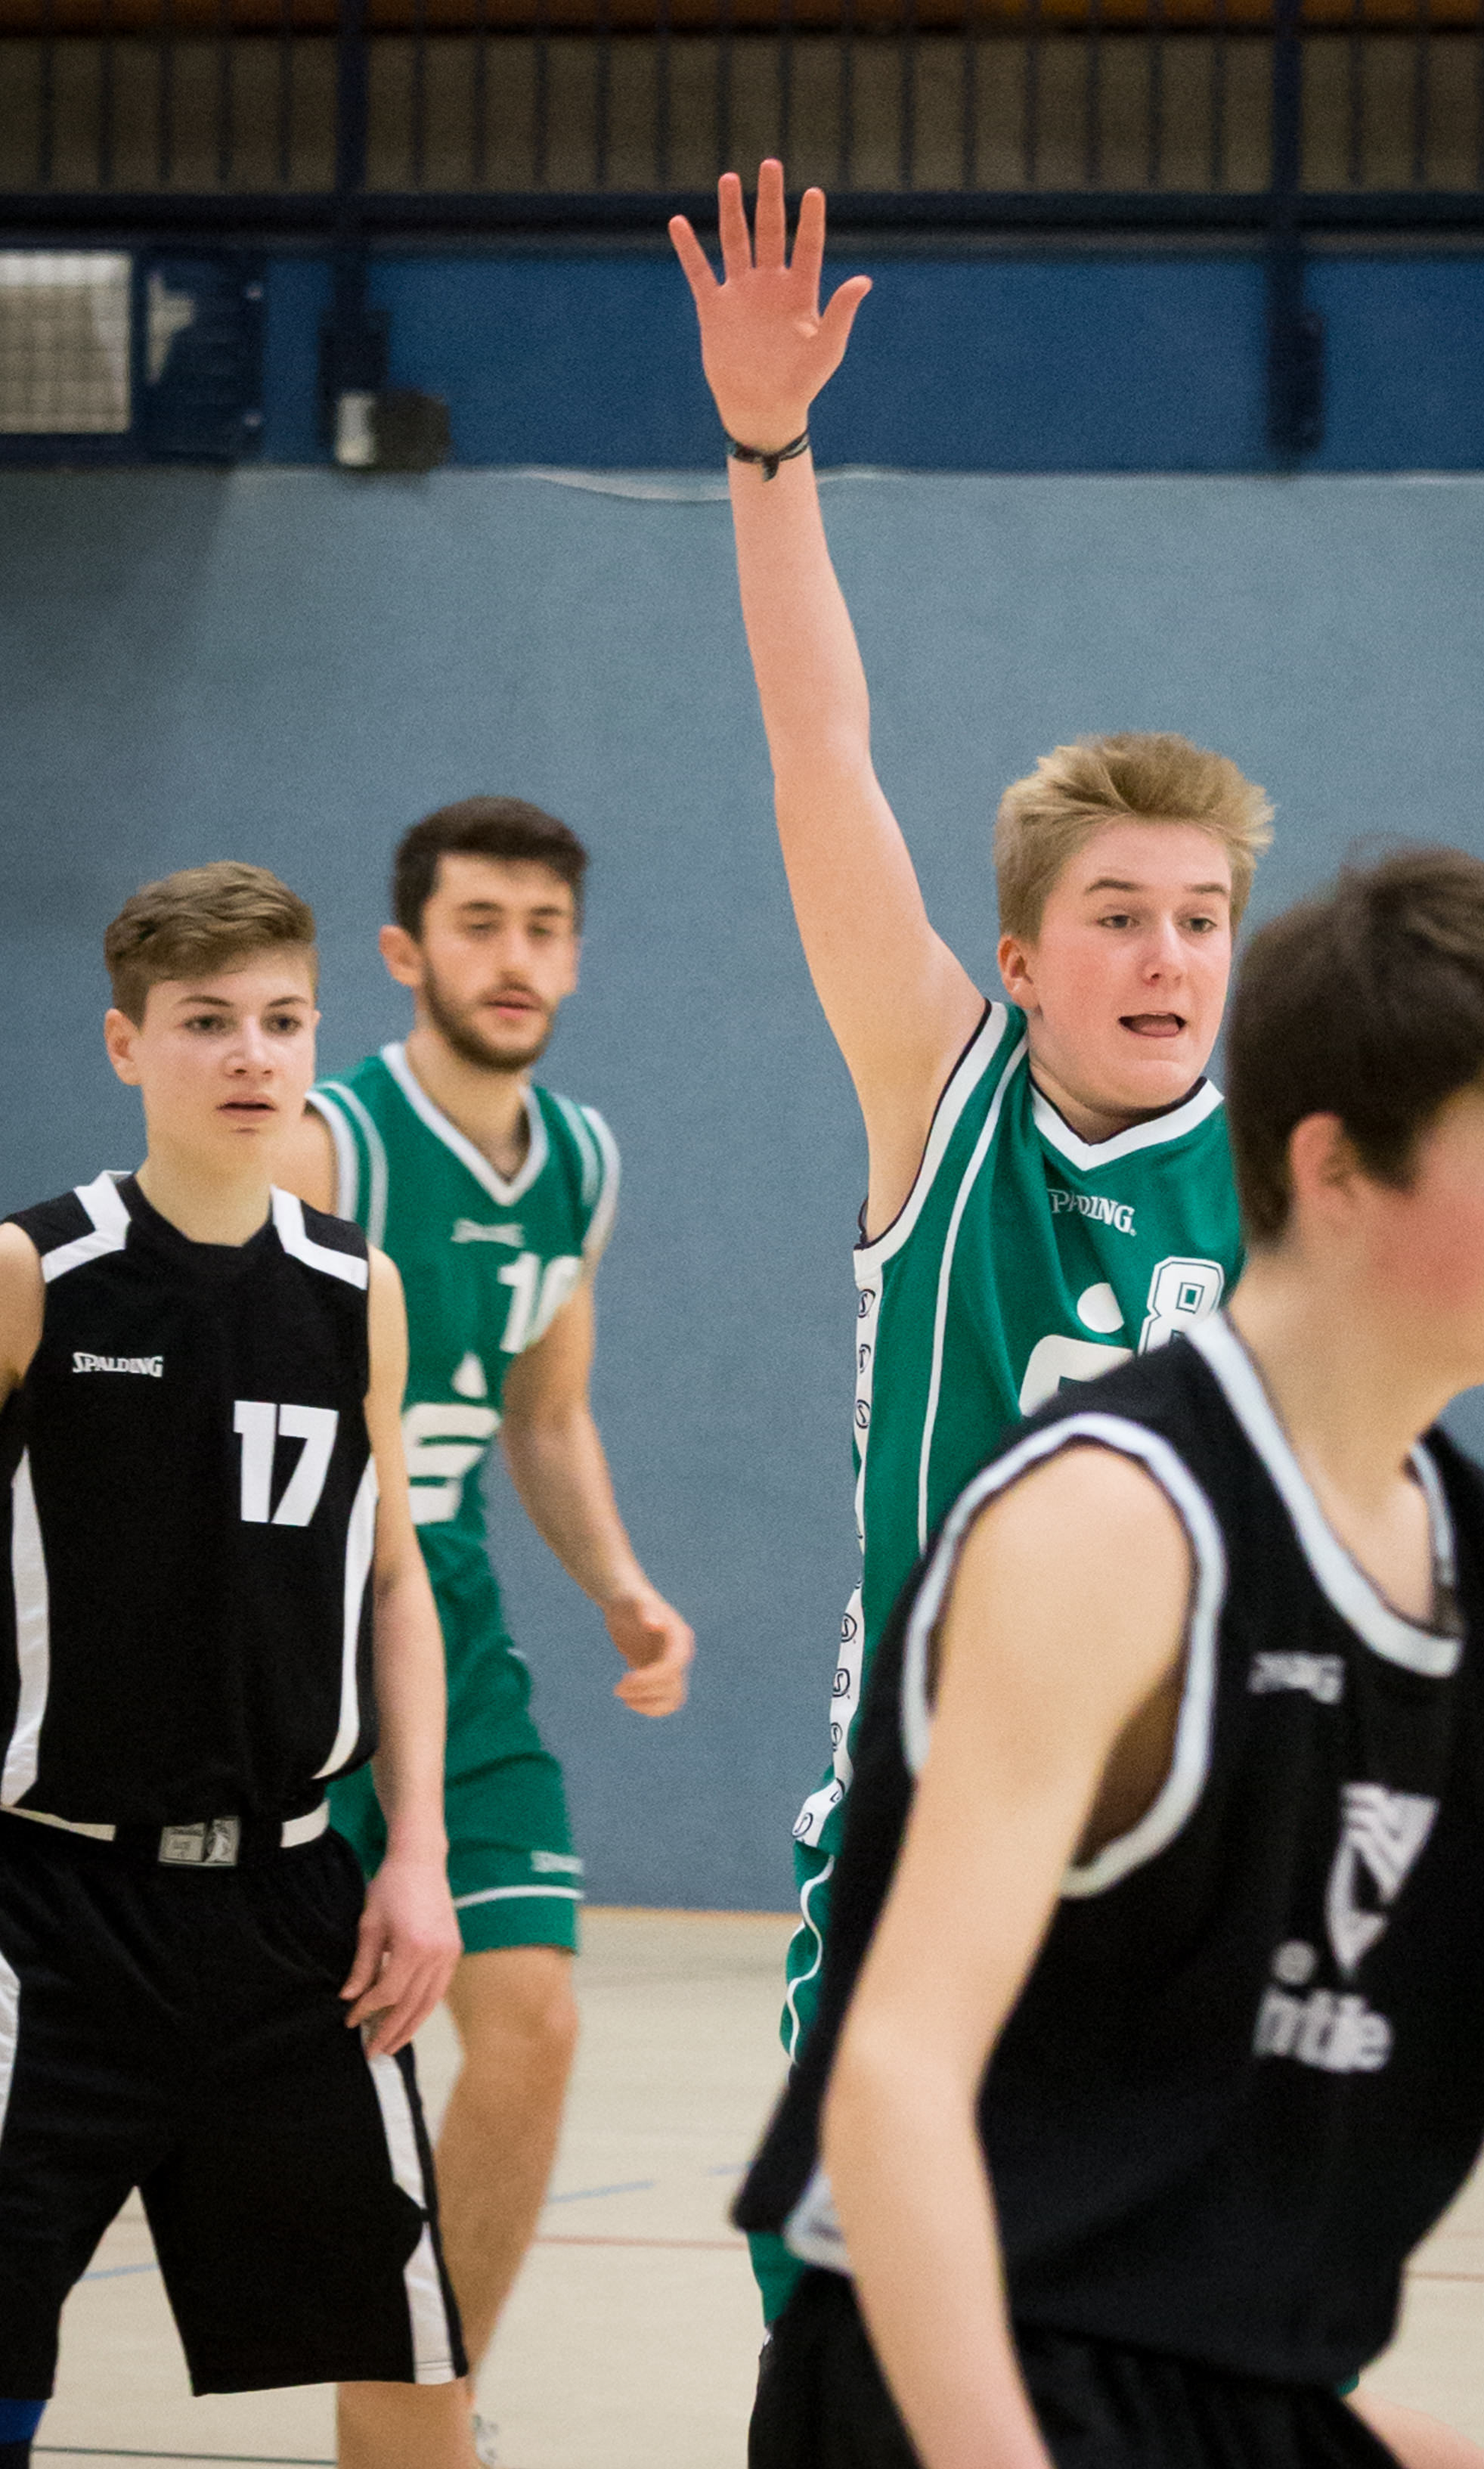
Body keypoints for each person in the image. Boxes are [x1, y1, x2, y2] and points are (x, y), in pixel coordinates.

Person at [671, 163, 1484, 2469]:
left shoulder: (1299, 1203)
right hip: (936, 1853)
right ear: (1024, 957)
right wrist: (765, 450)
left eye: (1202, 917)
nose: (1165, 954)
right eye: (1118, 914)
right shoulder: (940, 1098)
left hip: (1201, 1890)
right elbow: (821, 753)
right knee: (879, 2391)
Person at [733, 845, 1484, 2469]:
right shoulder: (1114, 1522)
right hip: (964, 2372)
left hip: (1210, 2366)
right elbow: (893, 2076)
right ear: (1334, 1168)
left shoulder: (1477, 1563)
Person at [0, 863, 471, 2469]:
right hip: (45, 1907)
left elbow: (394, 1576)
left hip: (289, 1916)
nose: (250, 1055)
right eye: (206, 1021)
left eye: (282, 1020)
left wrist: (416, 1853)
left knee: (408, 2348)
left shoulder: (356, 1288)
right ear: (127, 1045)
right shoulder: (37, 1272)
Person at [274, 797, 693, 2455]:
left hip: (446, 1613)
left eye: (543, 928)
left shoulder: (577, 1162)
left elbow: (548, 1412)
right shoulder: (329, 1145)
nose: (514, 957)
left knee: (531, 2018)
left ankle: (420, 2407)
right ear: (405, 952)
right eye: (479, 924)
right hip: (288, 1614)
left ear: (575, 958)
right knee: (251, 2059)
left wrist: (619, 1583)